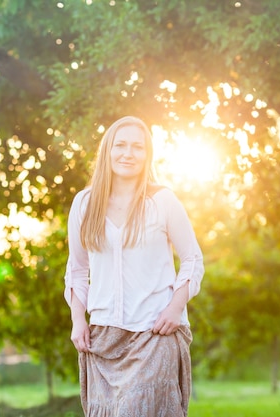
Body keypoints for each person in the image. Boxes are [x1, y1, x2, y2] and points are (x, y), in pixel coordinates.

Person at [63, 115, 205, 417]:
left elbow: (192, 260)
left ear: (147, 155)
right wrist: (78, 319)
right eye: (121, 145)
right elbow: (77, 269)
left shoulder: (163, 200)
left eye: (138, 147)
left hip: (154, 332)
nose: (129, 153)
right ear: (107, 151)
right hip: (103, 338)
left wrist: (175, 309)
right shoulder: (84, 203)